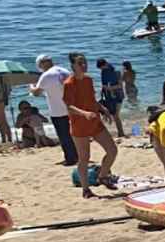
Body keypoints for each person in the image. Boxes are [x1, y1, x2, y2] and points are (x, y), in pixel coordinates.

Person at [63, 53, 118, 197]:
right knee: (84, 158)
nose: (84, 65)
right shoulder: (69, 83)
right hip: (79, 124)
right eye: (80, 63)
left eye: (85, 62)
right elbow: (69, 107)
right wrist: (84, 113)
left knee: (112, 150)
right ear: (73, 66)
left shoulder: (88, 80)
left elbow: (92, 99)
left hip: (95, 121)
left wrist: (103, 109)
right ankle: (86, 189)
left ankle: (103, 176)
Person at [30, 54, 76, 166]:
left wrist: (31, 86)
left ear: (42, 64)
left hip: (57, 110)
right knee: (72, 134)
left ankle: (70, 158)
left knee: (63, 136)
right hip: (71, 108)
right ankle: (77, 155)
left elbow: (36, 92)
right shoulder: (64, 71)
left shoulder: (46, 75)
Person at [96, 58, 126, 137]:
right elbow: (104, 84)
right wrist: (104, 90)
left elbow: (120, 85)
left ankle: (121, 133)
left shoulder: (116, 72)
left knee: (116, 115)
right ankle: (107, 132)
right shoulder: (103, 72)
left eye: (102, 68)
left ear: (105, 64)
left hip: (118, 96)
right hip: (108, 96)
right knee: (108, 114)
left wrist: (111, 88)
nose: (102, 70)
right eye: (101, 69)